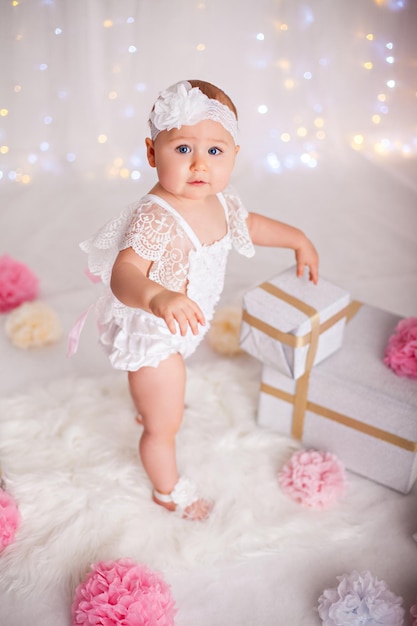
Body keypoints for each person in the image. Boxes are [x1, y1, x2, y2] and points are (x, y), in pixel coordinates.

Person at [74, 79, 319, 521]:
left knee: (165, 397)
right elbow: (124, 274)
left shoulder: (218, 201)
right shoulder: (156, 217)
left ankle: (151, 408)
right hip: (155, 336)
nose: (199, 164)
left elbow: (251, 225)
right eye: (183, 149)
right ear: (153, 153)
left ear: (234, 155)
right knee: (164, 425)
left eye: (215, 151)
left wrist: (297, 239)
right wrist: (156, 295)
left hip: (182, 323)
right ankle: (168, 490)